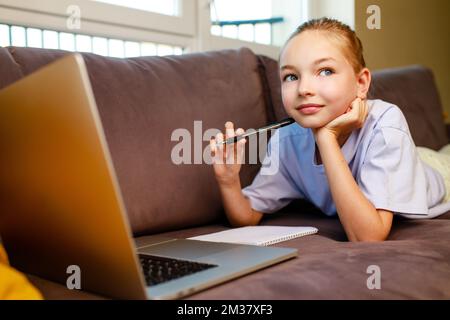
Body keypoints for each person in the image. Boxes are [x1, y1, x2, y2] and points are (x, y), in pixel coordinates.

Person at [209, 17, 450, 242]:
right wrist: (229, 182)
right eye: (291, 76)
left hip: (437, 172)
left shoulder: (385, 122)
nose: (304, 88)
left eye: (325, 71)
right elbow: (248, 215)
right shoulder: (286, 141)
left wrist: (326, 139)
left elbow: (367, 236)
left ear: (361, 83)